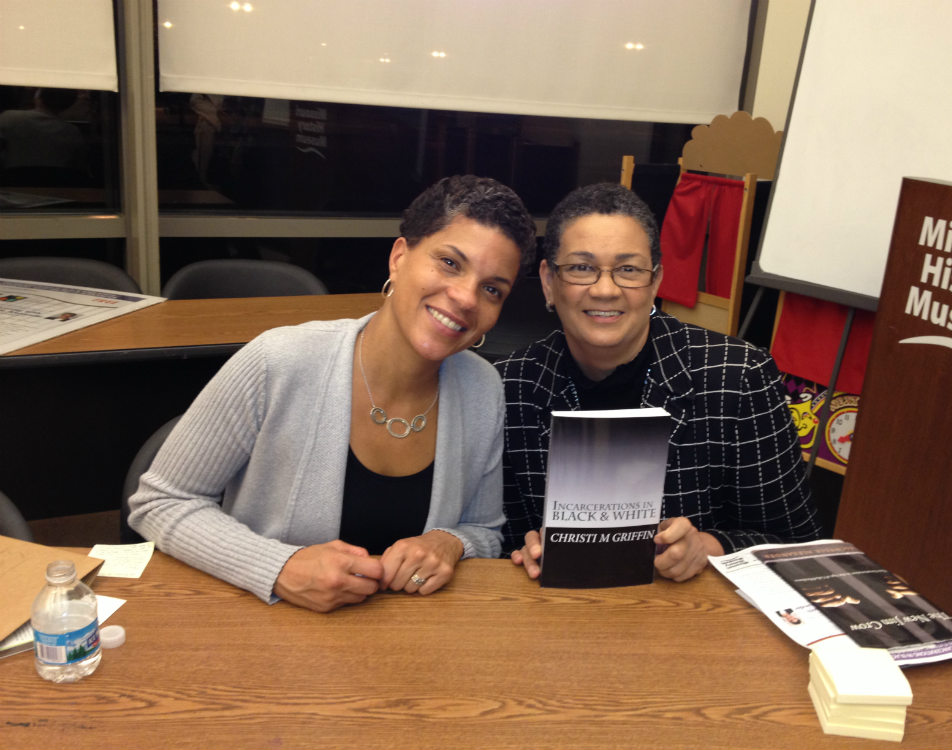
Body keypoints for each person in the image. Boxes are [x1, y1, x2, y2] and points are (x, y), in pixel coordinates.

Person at [129, 175, 536, 612]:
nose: (466, 297)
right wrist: (279, 566)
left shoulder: (483, 389)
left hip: (413, 649)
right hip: (266, 636)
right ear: (399, 258)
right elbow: (161, 501)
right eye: (450, 264)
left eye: (492, 289)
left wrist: (448, 541)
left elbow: (485, 529)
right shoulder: (278, 361)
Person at [495, 183, 820, 583]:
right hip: (555, 612)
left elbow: (797, 545)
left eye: (628, 270)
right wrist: (521, 550)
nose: (605, 289)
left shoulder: (738, 377)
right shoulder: (510, 384)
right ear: (548, 281)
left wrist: (709, 547)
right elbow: (498, 538)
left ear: (656, 281)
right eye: (581, 268)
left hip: (692, 618)